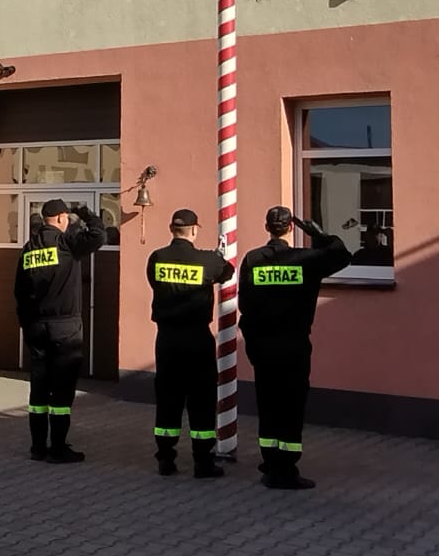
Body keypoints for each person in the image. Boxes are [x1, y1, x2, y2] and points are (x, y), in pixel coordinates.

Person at [238, 206, 352, 490]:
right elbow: (342, 255)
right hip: (293, 344)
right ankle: (286, 470)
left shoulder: (252, 259)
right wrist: (321, 236)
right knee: (291, 405)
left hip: (263, 345)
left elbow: (245, 306)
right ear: (291, 228)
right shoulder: (306, 260)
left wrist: (252, 344)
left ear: (267, 228)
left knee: (268, 403)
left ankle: (270, 462)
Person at [14, 199, 107, 464]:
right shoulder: (66, 243)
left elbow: (19, 291)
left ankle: (37, 447)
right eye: (66, 217)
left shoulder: (29, 248)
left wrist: (26, 323)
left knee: (39, 388)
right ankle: (57, 449)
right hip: (65, 327)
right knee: (62, 390)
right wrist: (85, 212)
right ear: (60, 218)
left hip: (36, 326)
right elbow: (99, 236)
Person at [145, 208, 234, 478]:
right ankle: (203, 462)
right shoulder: (206, 260)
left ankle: (166, 459)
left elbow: (154, 282)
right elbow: (227, 272)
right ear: (194, 230)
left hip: (167, 339)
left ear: (172, 229)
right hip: (197, 339)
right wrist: (218, 256)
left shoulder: (157, 257)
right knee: (202, 400)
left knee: (167, 398)